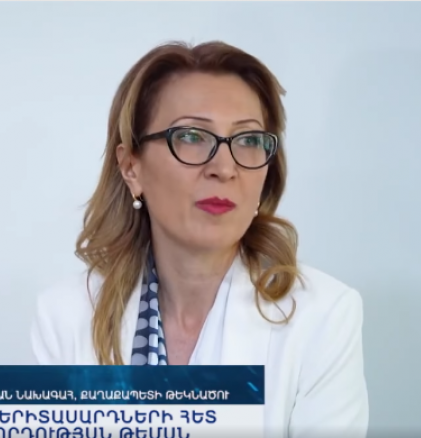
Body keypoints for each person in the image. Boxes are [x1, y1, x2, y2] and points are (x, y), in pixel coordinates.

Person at [30, 41, 369, 438]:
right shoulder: (64, 316)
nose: (224, 168)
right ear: (131, 167)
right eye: (192, 136)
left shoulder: (322, 317)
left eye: (248, 140)